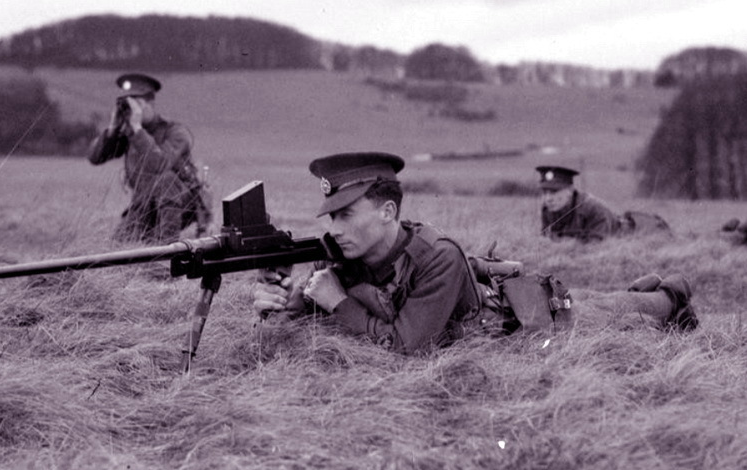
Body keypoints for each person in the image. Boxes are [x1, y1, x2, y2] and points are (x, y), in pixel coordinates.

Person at [253, 152, 698, 355]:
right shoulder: (338, 253)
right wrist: (292, 302)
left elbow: (406, 345)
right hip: (499, 309)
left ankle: (670, 294)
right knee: (605, 302)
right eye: (331, 216)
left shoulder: (436, 256)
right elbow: (326, 304)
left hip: (519, 323)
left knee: (611, 312)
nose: (335, 228)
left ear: (388, 211)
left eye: (347, 214)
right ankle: (648, 292)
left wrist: (337, 302)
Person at [87, 73, 211, 244]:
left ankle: (168, 253)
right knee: (117, 249)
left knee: (166, 181)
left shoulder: (175, 132)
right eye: (127, 106)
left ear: (151, 103)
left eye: (135, 105)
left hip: (180, 204)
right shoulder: (128, 133)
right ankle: (153, 246)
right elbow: (94, 157)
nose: (131, 112)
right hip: (144, 204)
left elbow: (161, 165)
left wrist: (138, 130)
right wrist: (113, 128)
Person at [538, 165, 670, 242]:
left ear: (570, 191)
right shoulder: (548, 210)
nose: (548, 198)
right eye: (545, 192)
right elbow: (548, 241)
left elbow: (596, 248)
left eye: (554, 192)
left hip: (638, 232)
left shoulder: (594, 209)